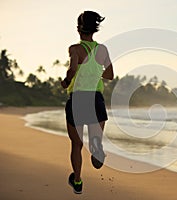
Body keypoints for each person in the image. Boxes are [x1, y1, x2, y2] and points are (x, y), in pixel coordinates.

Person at [61, 10, 114, 194]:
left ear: (78, 29)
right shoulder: (102, 50)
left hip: (78, 100)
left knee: (76, 145)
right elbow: (110, 75)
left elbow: (72, 69)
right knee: (94, 139)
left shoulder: (74, 49)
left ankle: (77, 181)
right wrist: (94, 72)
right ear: (95, 29)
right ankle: (97, 146)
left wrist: (66, 82)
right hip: (96, 100)